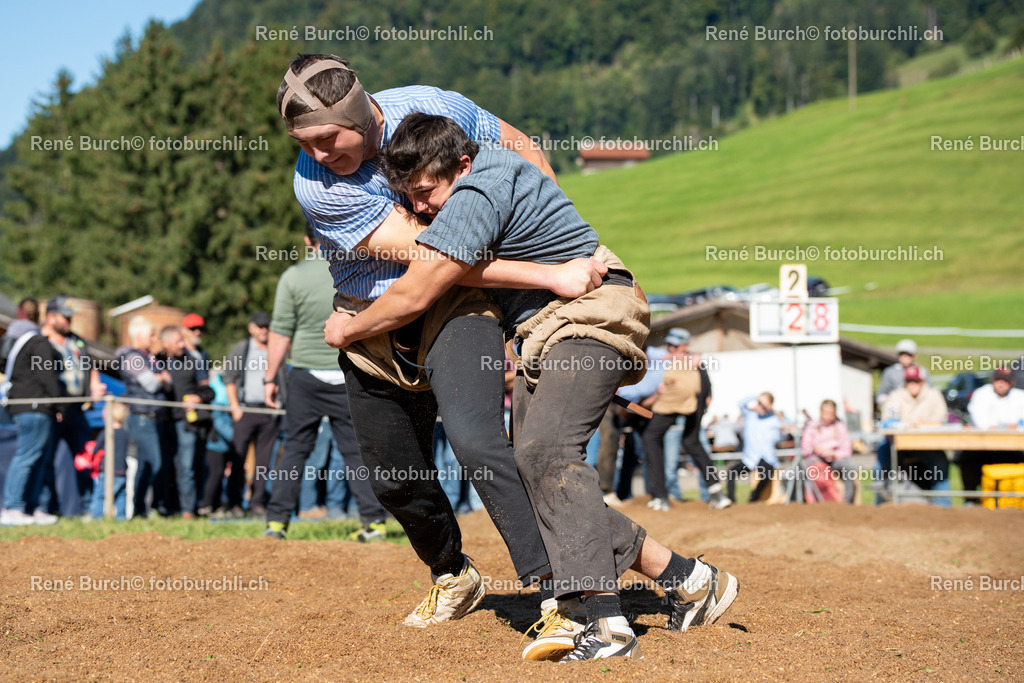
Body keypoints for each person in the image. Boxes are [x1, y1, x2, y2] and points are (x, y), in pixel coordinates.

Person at [326, 113, 740, 662]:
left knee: (548, 453)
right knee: (530, 477)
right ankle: (689, 579)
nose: (420, 207)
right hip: (546, 333)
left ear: (462, 166)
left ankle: (603, 621)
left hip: (587, 316)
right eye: (411, 197)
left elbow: (417, 290)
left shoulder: (477, 192)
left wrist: (348, 329)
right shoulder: (479, 179)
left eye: (425, 192)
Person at [278, 53, 606, 655]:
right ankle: (454, 574)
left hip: (456, 304)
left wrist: (559, 240)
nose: (318, 154)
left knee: (477, 440)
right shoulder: (315, 184)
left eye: (327, 138)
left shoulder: (434, 106)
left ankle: (562, 595)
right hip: (372, 316)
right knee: (392, 478)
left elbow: (521, 149)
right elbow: (433, 255)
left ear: (360, 112)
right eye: (305, 143)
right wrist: (550, 274)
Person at [262, 225, 386, 540]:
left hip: (305, 376)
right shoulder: (359, 270)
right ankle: (374, 522)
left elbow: (280, 331)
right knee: (356, 451)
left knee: (295, 449)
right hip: (350, 371)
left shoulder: (293, 277)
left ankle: (276, 523)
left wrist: (269, 378)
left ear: (307, 240)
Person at [642, 328, 730, 511]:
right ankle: (715, 492)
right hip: (691, 401)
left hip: (681, 401)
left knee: (652, 437)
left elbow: (707, 391)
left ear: (685, 345)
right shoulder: (689, 359)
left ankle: (660, 496)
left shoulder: (692, 361)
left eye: (676, 345)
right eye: (669, 345)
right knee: (691, 442)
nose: (671, 348)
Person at [39, 296, 107, 514]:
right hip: (52, 410)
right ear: (51, 317)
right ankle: (47, 508)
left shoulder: (77, 341)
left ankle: (88, 508)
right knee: (46, 459)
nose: (69, 321)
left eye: (70, 317)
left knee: (85, 458)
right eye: (65, 317)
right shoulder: (39, 341)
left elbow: (90, 366)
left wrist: (95, 385)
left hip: (77, 410)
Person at [0, 318, 61, 526]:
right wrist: (60, 405)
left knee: (36, 458)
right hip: (35, 408)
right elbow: (47, 375)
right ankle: (13, 507)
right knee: (27, 457)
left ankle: (30, 507)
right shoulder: (38, 343)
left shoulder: (18, 349)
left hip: (23, 407)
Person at [223, 311, 282, 517]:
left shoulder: (277, 348)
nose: (263, 330)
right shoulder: (242, 348)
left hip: (269, 413)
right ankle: (234, 503)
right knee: (238, 457)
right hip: (245, 409)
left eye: (266, 326)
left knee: (264, 461)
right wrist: (235, 406)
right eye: (259, 326)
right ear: (251, 328)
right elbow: (229, 378)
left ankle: (257, 503)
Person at [117, 316, 172, 519]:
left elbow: (167, 382)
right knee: (155, 463)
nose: (154, 339)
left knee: (145, 465)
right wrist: (161, 378)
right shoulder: (133, 357)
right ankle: (148, 507)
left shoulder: (148, 357)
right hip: (142, 418)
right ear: (139, 335)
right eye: (151, 335)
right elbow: (152, 384)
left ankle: (139, 510)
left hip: (153, 417)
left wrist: (161, 378)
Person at [158, 325, 213, 518]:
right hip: (161, 421)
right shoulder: (154, 361)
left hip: (185, 423)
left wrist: (198, 397)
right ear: (165, 343)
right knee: (163, 465)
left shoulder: (192, 361)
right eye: (178, 341)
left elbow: (208, 390)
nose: (183, 345)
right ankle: (165, 507)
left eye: (182, 340)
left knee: (186, 467)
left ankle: (188, 511)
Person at [880, 365, 949, 504]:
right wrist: (913, 424)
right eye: (909, 381)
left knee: (940, 463)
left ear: (922, 382)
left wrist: (920, 424)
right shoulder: (895, 396)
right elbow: (887, 421)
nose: (912, 385)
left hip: (928, 445)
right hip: (899, 445)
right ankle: (882, 503)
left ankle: (942, 505)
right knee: (881, 461)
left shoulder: (934, 395)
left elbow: (941, 419)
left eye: (916, 381)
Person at [959, 367, 1024, 492]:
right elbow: (982, 423)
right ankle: (971, 498)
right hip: (983, 445)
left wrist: (1003, 426)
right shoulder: (981, 394)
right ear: (992, 380)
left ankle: (1013, 498)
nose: (1001, 384)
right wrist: (1006, 426)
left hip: (1013, 447)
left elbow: (1020, 423)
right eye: (998, 380)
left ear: (1012, 382)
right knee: (966, 459)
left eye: (1005, 380)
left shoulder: (1019, 396)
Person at [727, 394, 782, 503]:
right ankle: (731, 500)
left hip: (767, 458)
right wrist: (756, 397)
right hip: (750, 459)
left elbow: (778, 438)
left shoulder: (774, 420)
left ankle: (753, 499)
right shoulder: (751, 416)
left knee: (766, 474)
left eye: (764, 404)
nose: (760, 406)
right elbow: (741, 403)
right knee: (731, 473)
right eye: (759, 403)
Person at [801, 399, 858, 504]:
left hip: (835, 459)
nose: (827, 416)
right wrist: (815, 449)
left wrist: (833, 454)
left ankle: (847, 503)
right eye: (825, 413)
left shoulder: (840, 427)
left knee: (849, 466)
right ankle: (818, 501)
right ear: (821, 412)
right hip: (816, 458)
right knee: (817, 468)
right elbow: (805, 449)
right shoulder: (812, 426)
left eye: (830, 414)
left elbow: (847, 451)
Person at [89, 401, 131, 520]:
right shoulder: (125, 433)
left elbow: (96, 449)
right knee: (121, 494)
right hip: (122, 470)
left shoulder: (106, 432)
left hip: (107, 469)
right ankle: (121, 517)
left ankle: (96, 517)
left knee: (100, 495)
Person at [876, 339, 929, 406]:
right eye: (902, 354)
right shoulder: (890, 372)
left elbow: (929, 391)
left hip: (917, 405)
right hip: (896, 405)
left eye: (908, 354)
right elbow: (880, 395)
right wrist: (889, 400)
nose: (904, 357)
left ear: (914, 355)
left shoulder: (922, 371)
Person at [181, 313, 211, 384]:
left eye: (201, 329)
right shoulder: (179, 354)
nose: (198, 332)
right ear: (183, 330)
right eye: (193, 328)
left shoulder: (203, 354)